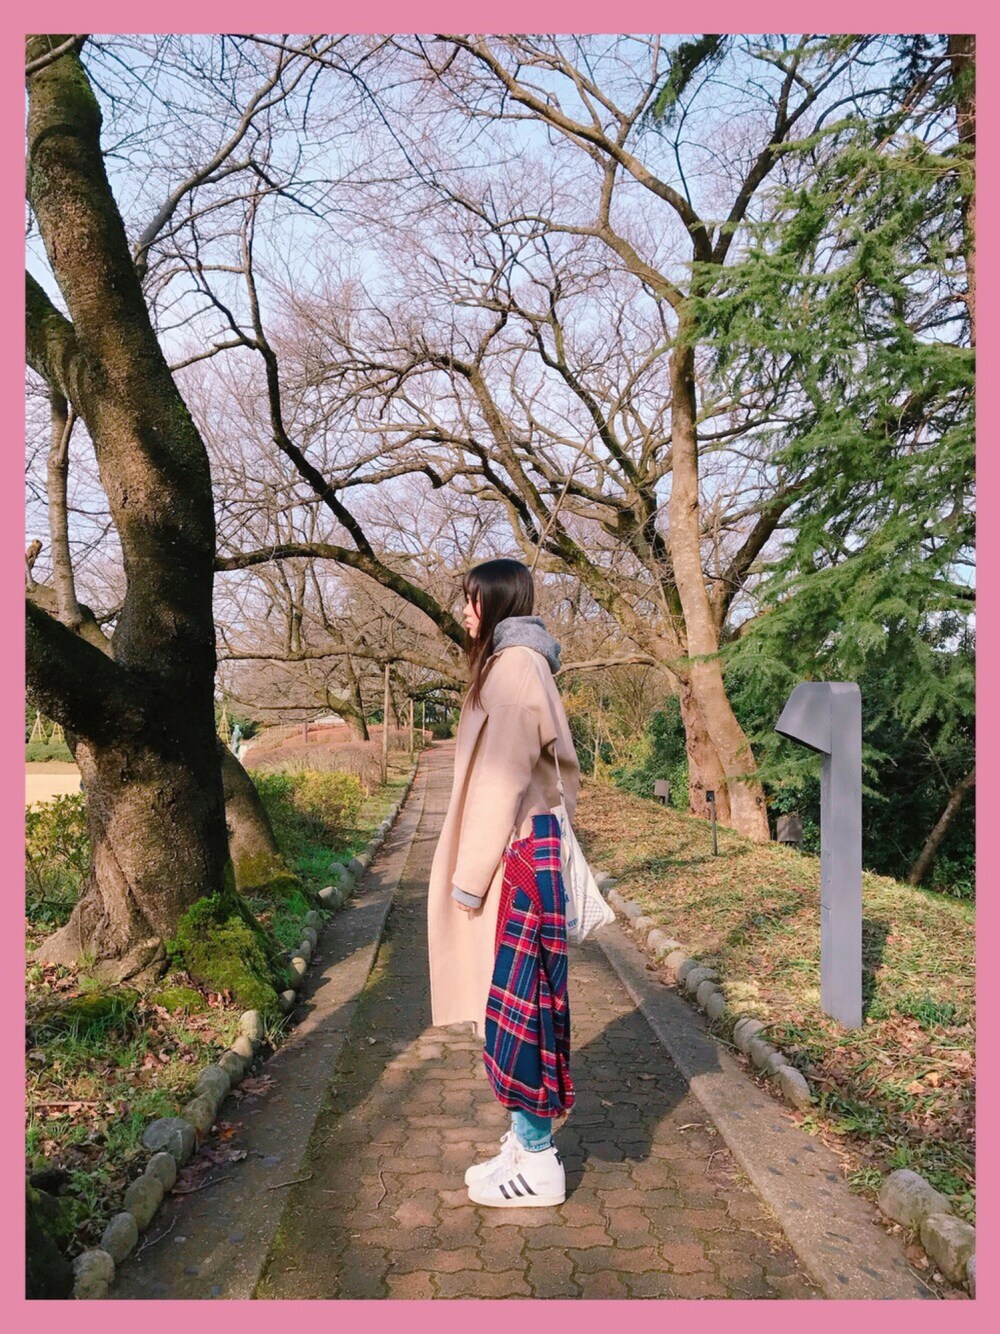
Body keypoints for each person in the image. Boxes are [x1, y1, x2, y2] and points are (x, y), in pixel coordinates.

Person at [427, 558, 581, 1207]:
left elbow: (502, 779)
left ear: (496, 603)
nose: (465, 612)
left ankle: (539, 1163)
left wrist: (468, 880)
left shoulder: (514, 668)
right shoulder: (512, 664)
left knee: (518, 1011)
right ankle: (523, 1142)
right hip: (518, 854)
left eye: (472, 601)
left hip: (512, 859)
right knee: (513, 1005)